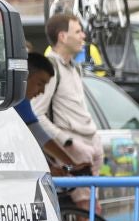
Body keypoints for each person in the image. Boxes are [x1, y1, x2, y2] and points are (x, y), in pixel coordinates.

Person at [33, 12, 101, 173]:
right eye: (77, 32)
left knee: (92, 198)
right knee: (86, 199)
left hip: (88, 145)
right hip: (73, 149)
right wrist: (68, 142)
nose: (83, 36)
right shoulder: (51, 67)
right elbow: (36, 115)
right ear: (62, 37)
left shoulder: (74, 67)